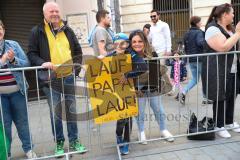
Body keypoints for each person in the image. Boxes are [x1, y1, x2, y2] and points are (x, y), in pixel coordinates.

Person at [27, 2, 86, 155]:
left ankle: (74, 140)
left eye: (57, 11)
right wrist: (42, 63)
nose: (55, 14)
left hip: (68, 77)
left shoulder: (67, 29)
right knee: (56, 113)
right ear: (44, 13)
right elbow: (31, 54)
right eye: (51, 11)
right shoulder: (37, 31)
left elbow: (77, 50)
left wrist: (76, 68)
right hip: (49, 79)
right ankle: (59, 143)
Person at [128, 30, 174, 144]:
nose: (137, 44)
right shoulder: (128, 55)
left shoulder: (152, 53)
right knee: (140, 111)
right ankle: (141, 132)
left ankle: (164, 129)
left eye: (139, 41)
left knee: (158, 109)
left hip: (152, 85)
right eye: (134, 42)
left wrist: (164, 85)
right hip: (137, 87)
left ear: (144, 42)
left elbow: (157, 70)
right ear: (130, 43)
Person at [202, 3, 240, 138]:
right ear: (225, 15)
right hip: (218, 70)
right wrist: (238, 33)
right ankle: (219, 125)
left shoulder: (228, 29)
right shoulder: (212, 29)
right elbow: (223, 47)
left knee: (231, 95)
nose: (234, 15)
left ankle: (229, 122)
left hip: (232, 68)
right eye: (232, 13)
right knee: (220, 97)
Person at [0, 20, 37, 159]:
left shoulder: (13, 44)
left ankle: (28, 149)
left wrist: (14, 60)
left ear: (4, 30)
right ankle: (6, 153)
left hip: (17, 92)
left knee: (22, 123)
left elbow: (26, 63)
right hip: (1, 97)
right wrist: (2, 61)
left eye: (0, 27)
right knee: (5, 126)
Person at [107, 32, 147, 155]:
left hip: (130, 90)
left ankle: (126, 141)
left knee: (128, 116)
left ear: (127, 44)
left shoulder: (132, 54)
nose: (120, 46)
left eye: (123, 43)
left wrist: (127, 74)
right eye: (117, 43)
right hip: (116, 91)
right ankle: (118, 135)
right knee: (121, 118)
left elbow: (143, 67)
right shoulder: (112, 55)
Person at [179, 16, 212, 105]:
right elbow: (200, 43)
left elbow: (185, 47)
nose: (201, 23)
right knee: (205, 78)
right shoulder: (199, 32)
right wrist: (208, 42)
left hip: (191, 60)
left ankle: (183, 92)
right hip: (200, 59)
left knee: (195, 79)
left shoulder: (186, 33)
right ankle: (206, 98)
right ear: (197, 23)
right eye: (200, 22)